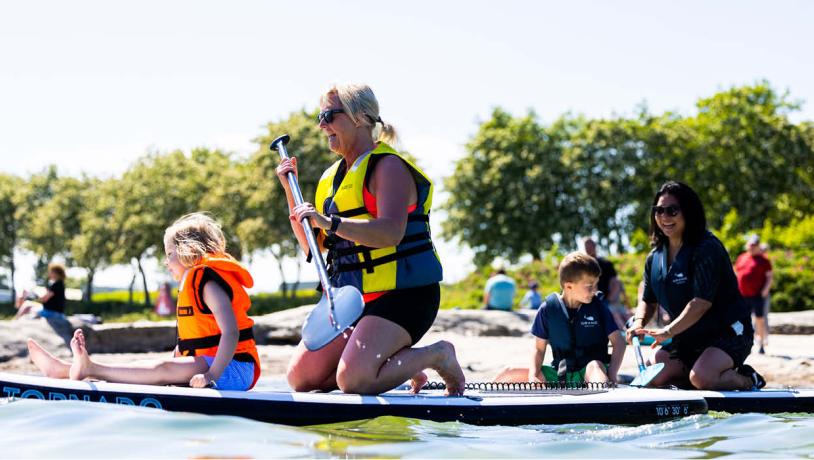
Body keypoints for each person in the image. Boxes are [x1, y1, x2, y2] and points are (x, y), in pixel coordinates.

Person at [276, 83, 465, 396]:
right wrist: (289, 191)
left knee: (354, 381)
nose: (321, 124)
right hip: (354, 300)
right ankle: (400, 364)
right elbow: (315, 246)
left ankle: (438, 354)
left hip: (404, 296)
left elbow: (391, 232)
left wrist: (329, 222)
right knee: (301, 378)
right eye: (319, 116)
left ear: (360, 118)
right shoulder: (331, 178)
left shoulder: (387, 167)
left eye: (328, 115)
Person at [26, 213, 261, 391]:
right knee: (152, 366)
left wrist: (212, 375)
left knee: (161, 369)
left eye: (170, 254)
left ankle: (89, 368)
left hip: (234, 367)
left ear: (189, 251)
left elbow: (231, 333)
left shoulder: (208, 284)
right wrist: (175, 368)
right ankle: (65, 370)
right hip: (209, 365)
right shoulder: (193, 283)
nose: (166, 262)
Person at [626, 181, 764, 390]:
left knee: (703, 378)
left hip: (728, 333)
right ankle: (699, 379)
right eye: (659, 210)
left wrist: (668, 331)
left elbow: (701, 303)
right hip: (687, 339)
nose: (664, 216)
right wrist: (638, 323)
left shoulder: (707, 248)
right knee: (656, 376)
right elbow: (648, 300)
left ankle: (748, 378)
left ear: (688, 212)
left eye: (672, 210)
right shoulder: (653, 258)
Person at [494, 252, 625, 384]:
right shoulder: (547, 309)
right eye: (589, 286)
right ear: (569, 286)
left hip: (589, 372)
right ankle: (480, 400)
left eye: (596, 285)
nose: (594, 290)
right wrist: (533, 376)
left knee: (596, 366)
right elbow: (538, 349)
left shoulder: (599, 307)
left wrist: (612, 373)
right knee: (508, 372)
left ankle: (599, 398)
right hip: (559, 374)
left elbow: (619, 342)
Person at [734, 235, 773, 354]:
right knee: (742, 320)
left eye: (754, 245)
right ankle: (743, 343)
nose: (752, 247)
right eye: (750, 245)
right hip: (743, 295)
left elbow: (769, 277)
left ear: (758, 246)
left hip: (757, 295)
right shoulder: (742, 257)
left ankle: (761, 344)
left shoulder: (764, 260)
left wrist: (765, 290)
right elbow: (736, 272)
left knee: (760, 319)